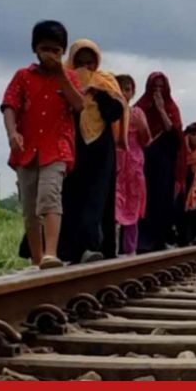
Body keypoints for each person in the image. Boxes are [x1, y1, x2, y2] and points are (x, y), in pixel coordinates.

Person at [1, 20, 85, 269]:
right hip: (26, 149)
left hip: (56, 148)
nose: (50, 55)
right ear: (35, 49)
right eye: (45, 49)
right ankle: (37, 259)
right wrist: (12, 132)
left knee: (49, 196)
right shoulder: (23, 76)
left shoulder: (69, 77)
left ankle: (51, 252)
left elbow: (79, 105)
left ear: (63, 52)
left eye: (56, 50)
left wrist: (61, 75)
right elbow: (9, 106)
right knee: (29, 206)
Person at [55, 39, 127, 264]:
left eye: (90, 62)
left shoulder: (106, 82)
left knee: (98, 197)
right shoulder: (64, 80)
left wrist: (101, 94)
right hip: (74, 146)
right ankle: (70, 250)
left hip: (101, 150)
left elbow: (116, 112)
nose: (85, 67)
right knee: (71, 196)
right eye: (80, 62)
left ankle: (93, 245)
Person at [135, 72, 183, 253]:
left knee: (162, 201)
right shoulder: (141, 107)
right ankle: (141, 241)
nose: (158, 91)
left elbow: (175, 134)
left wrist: (162, 110)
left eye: (161, 87)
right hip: (143, 161)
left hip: (164, 163)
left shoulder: (171, 107)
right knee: (144, 201)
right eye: (154, 87)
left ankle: (159, 239)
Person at [114, 75, 151, 256]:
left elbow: (146, 140)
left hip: (134, 166)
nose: (123, 93)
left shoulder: (137, 113)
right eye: (120, 88)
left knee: (133, 206)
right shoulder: (109, 112)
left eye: (127, 89)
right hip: (115, 165)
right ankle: (110, 248)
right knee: (114, 204)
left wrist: (142, 127)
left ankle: (130, 250)